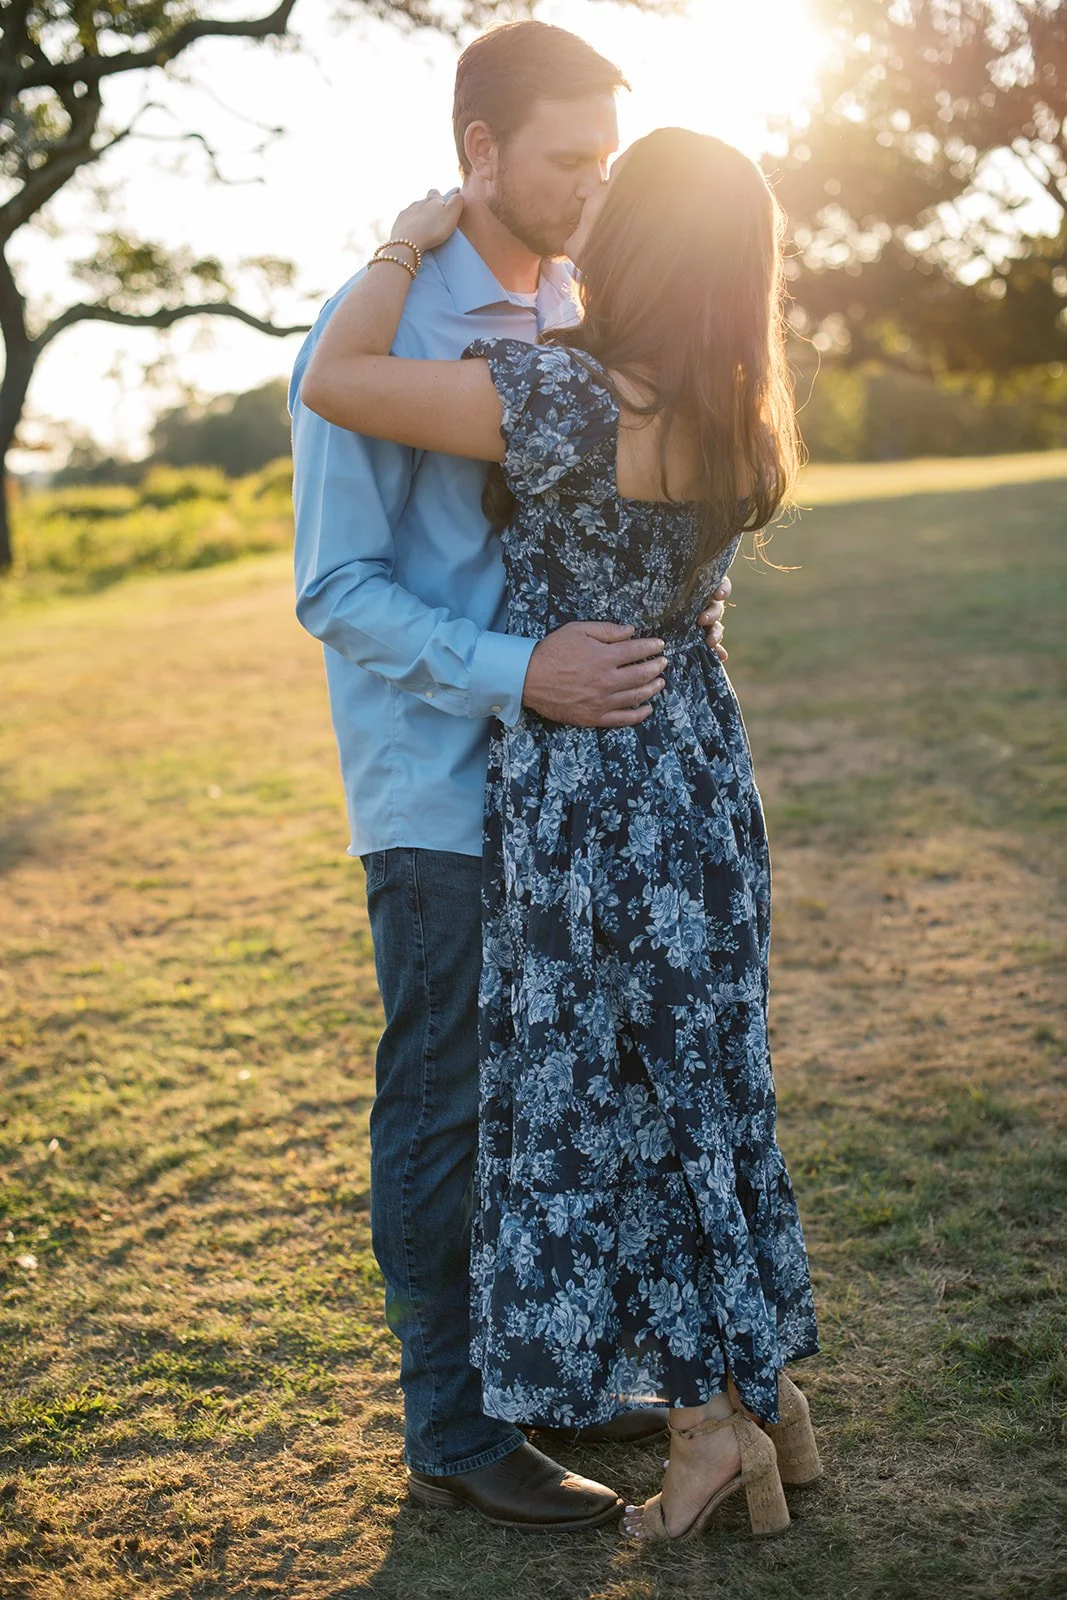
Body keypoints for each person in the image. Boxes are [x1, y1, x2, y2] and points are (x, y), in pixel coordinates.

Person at [300, 121, 822, 1545]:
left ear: (641, 240)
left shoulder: (565, 397)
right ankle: (766, 1400)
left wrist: (402, 241)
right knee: (710, 1085)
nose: (587, 199)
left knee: (609, 1102)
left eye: (612, 187)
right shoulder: (737, 406)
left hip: (591, 789)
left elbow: (337, 381)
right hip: (699, 771)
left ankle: (708, 1426)